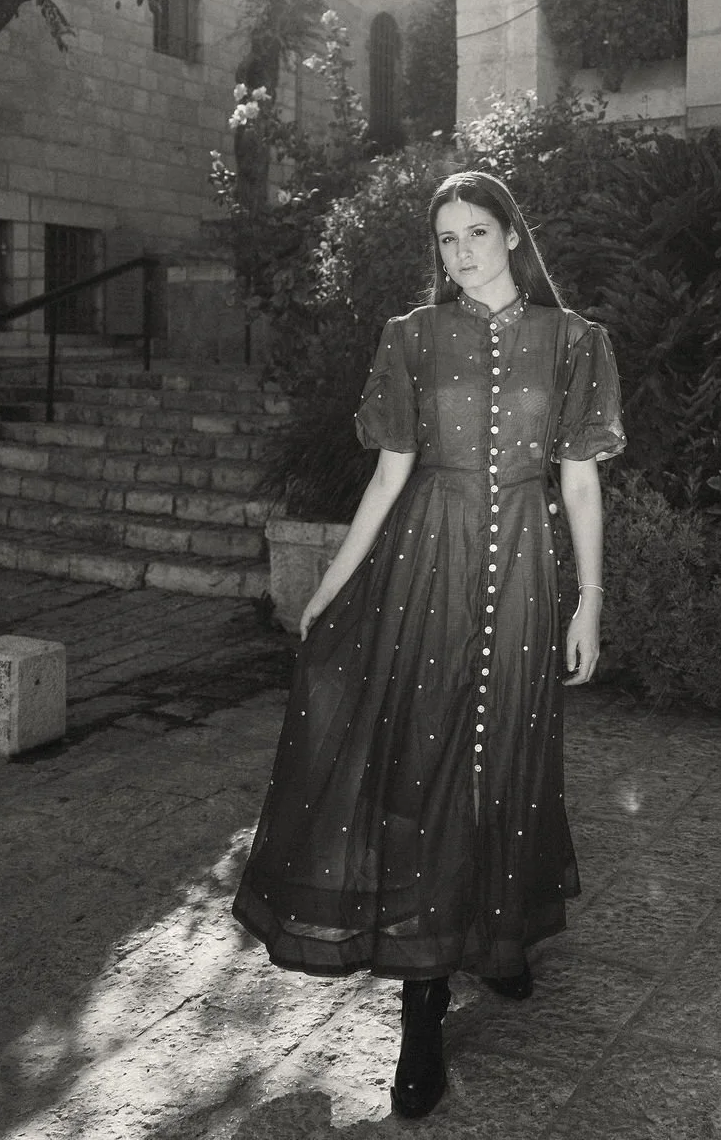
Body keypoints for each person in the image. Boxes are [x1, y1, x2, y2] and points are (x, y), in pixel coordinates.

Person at [232, 171, 625, 1119]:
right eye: (447, 238)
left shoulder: (576, 342)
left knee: (512, 758)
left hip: (525, 572)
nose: (462, 253)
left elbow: (578, 485)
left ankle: (502, 934)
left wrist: (590, 603)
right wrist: (330, 583)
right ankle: (422, 1005)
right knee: (430, 762)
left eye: (477, 232)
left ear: (512, 236)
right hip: (428, 571)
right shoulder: (410, 337)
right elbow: (388, 476)